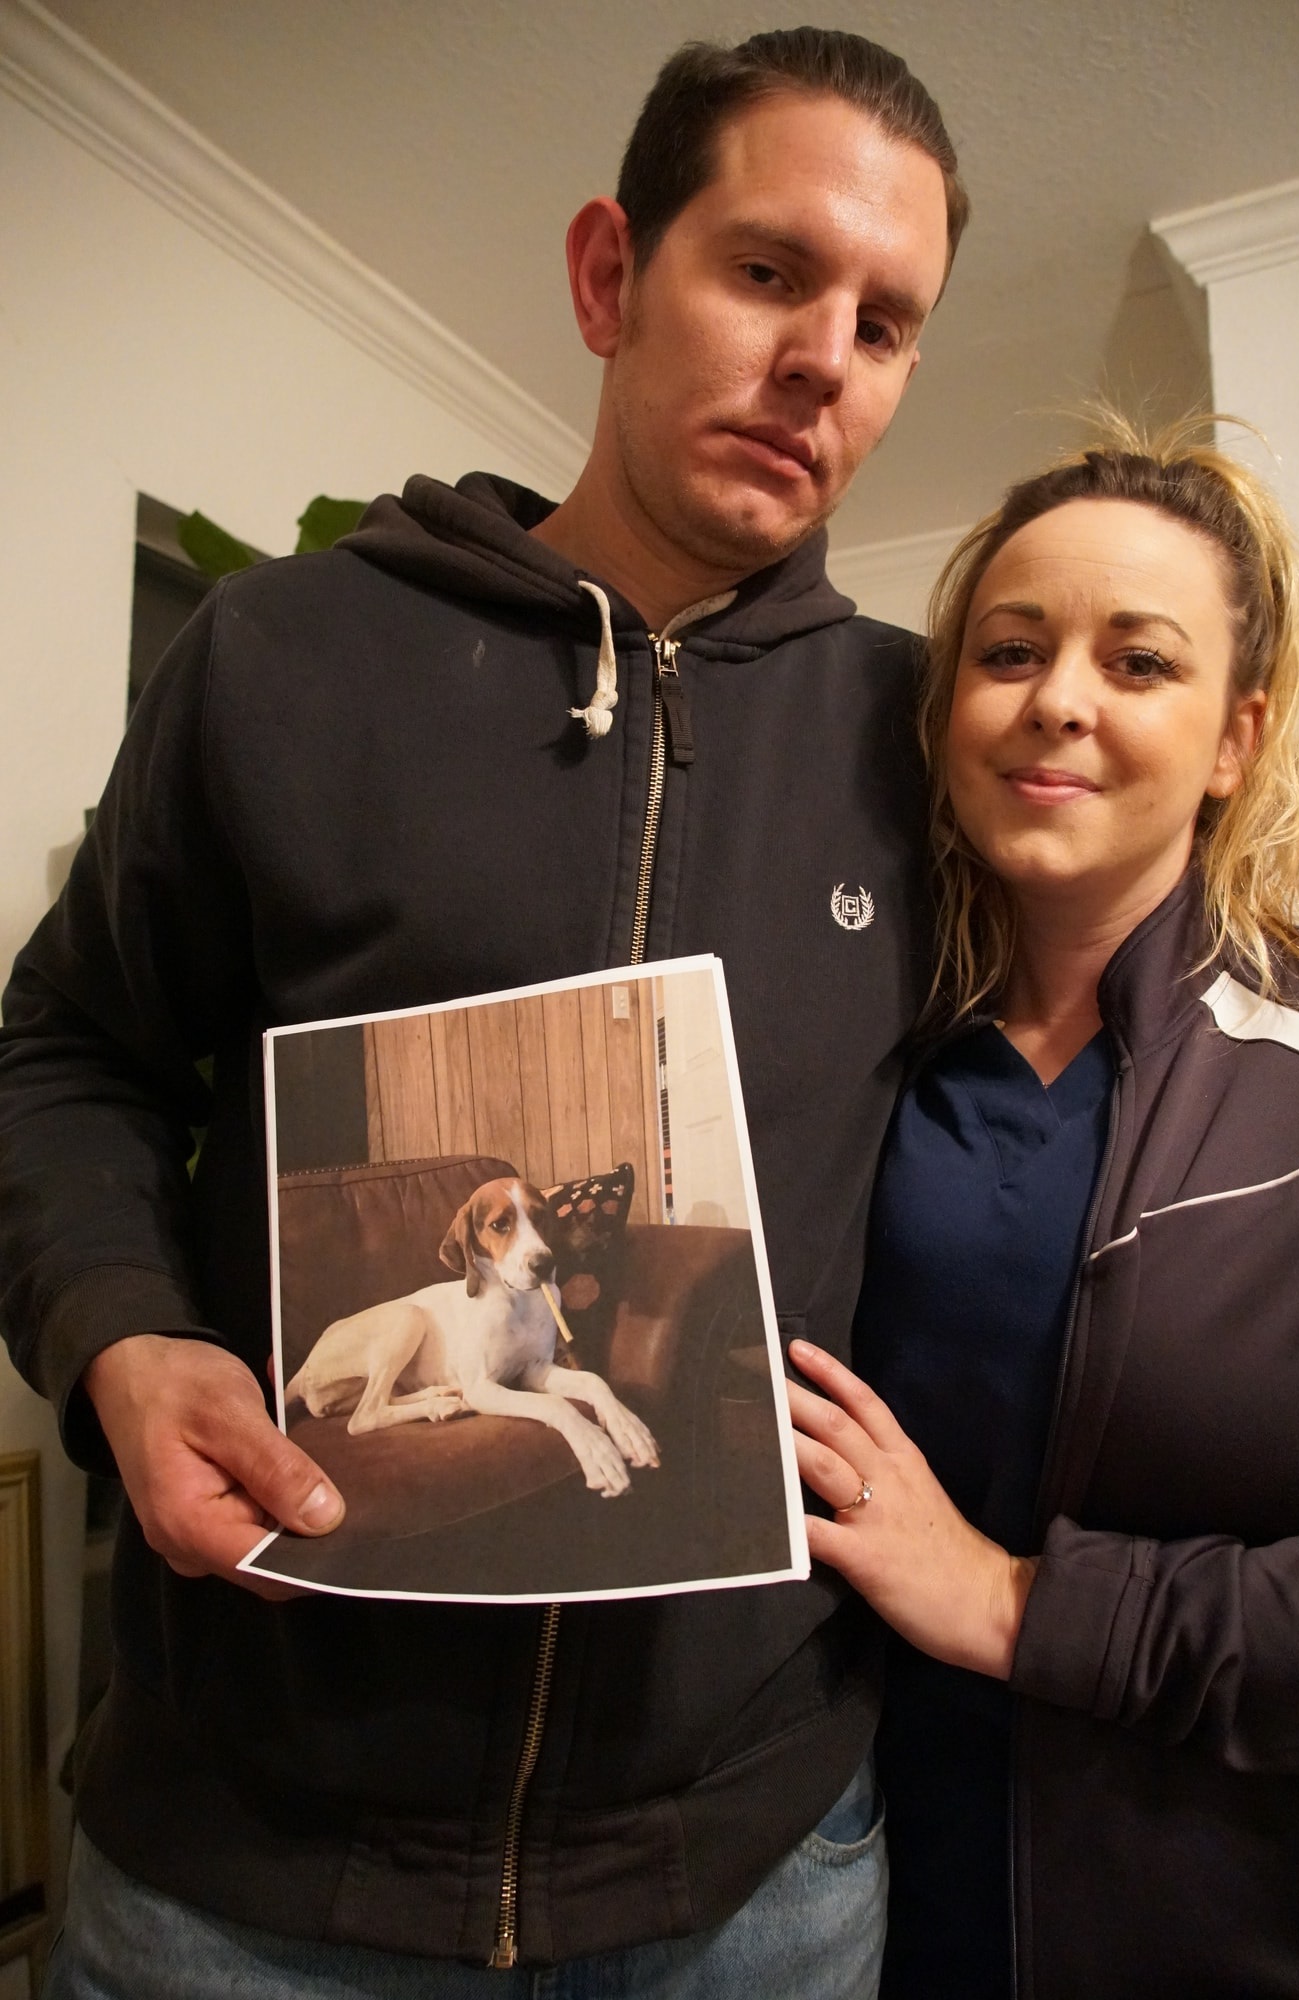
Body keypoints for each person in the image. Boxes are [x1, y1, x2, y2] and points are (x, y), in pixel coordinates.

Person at [0, 28, 968, 2000]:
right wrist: (119, 1335)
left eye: (883, 324)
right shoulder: (283, 650)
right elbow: (67, 1052)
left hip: (748, 1881)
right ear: (611, 274)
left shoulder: (924, 738)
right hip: (247, 1878)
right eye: (769, 271)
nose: (820, 358)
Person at [787, 418, 1299, 1997]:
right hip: (856, 1911)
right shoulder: (863, 1057)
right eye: (1012, 650)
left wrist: (1020, 1606)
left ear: (1235, 739)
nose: (1062, 702)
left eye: (1140, 662)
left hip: (1218, 1931)